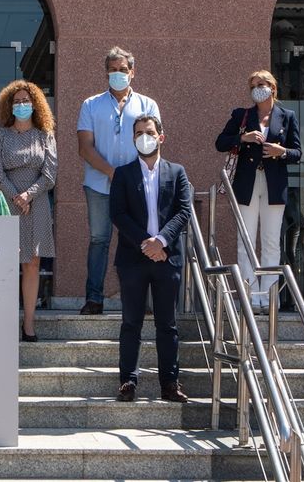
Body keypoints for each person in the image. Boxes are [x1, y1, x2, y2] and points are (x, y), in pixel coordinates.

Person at [109, 115, 191, 403]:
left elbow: (183, 211)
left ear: (161, 136)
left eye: (150, 132)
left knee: (166, 324)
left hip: (167, 258)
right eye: (139, 133)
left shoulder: (177, 172)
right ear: (133, 139)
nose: (145, 137)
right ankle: (128, 381)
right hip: (133, 258)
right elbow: (118, 213)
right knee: (131, 322)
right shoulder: (123, 174)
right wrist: (146, 243)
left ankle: (169, 383)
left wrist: (161, 241)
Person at [76, 46, 160, 315]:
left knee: (139, 239)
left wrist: (128, 178)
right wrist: (114, 174)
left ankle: (138, 301)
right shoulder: (91, 104)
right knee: (99, 240)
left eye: (123, 70)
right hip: (99, 185)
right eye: (113, 70)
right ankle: (94, 299)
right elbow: (85, 148)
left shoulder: (147, 104)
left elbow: (153, 143)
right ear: (106, 73)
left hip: (138, 185)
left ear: (132, 72)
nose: (118, 74)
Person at [215, 70, 301, 312]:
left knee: (272, 241)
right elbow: (220, 142)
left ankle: (269, 297)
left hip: (274, 184)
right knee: (246, 240)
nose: (258, 88)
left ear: (273, 87)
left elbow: (298, 152)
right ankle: (250, 295)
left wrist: (280, 151)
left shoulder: (287, 116)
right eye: (254, 85)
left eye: (262, 84)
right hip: (247, 183)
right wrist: (242, 139)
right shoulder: (242, 115)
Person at [0, 80, 57, 342]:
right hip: (6, 202)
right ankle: (3, 320)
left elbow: (50, 174)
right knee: (4, 263)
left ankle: (28, 323)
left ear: (36, 104)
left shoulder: (45, 135)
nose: (21, 105)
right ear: (9, 106)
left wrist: (29, 195)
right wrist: (16, 196)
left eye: (26, 101)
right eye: (16, 101)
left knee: (32, 263)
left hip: (37, 203)